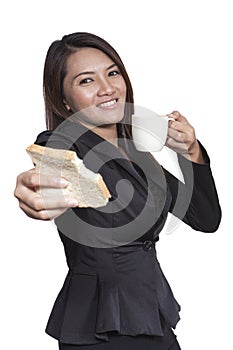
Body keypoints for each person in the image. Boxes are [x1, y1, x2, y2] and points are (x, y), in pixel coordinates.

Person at [14, 32, 221, 350]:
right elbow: (51, 167)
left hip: (154, 316)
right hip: (99, 327)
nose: (108, 88)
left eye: (113, 73)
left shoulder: (138, 155)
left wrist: (191, 152)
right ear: (64, 100)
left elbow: (206, 218)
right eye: (86, 81)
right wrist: (37, 189)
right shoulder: (64, 145)